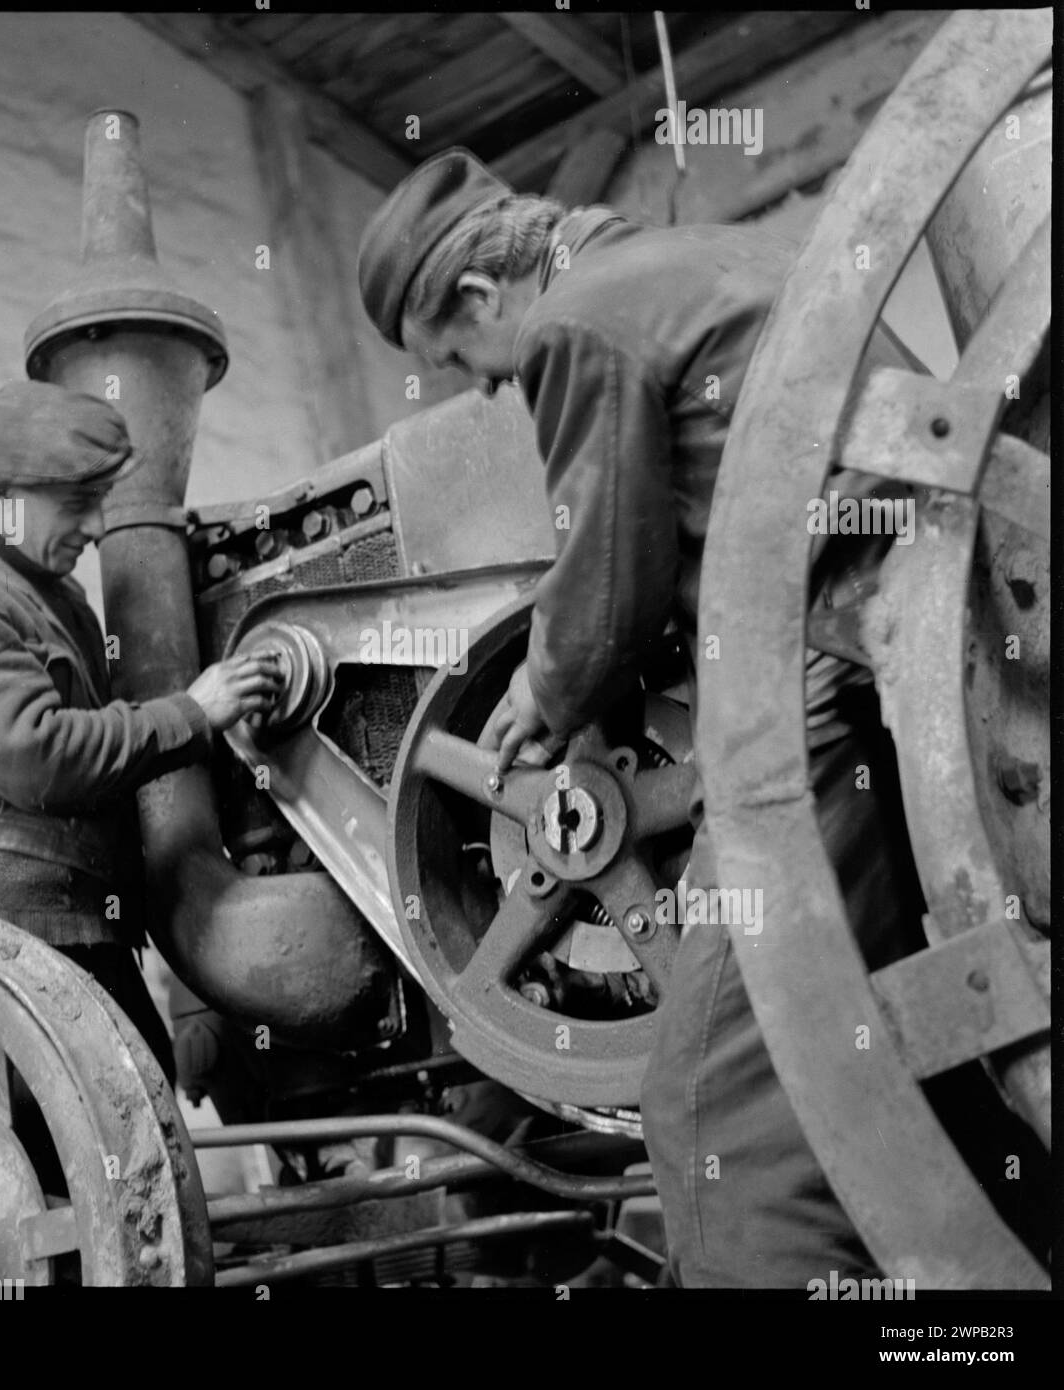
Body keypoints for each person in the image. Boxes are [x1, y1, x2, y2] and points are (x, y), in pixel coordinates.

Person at [356, 149, 928, 1287]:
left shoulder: (577, 323)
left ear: (478, 297)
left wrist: (545, 691)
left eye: (465, 367)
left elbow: (610, 573)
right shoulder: (707, 255)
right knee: (890, 1043)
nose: (485, 389)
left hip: (824, 657)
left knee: (708, 1104)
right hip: (908, 643)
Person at [0, 380, 284, 1086]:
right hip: (7, 935)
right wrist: (192, 712)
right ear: (3, 491)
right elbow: (39, 759)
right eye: (77, 503)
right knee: (64, 1184)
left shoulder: (60, 603)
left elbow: (114, 779)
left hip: (87, 936)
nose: (97, 527)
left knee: (145, 1165)